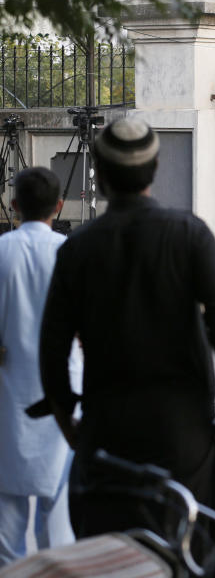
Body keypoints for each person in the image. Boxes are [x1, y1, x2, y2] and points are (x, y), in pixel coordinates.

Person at [39, 118, 215, 544]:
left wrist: (67, 419)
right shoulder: (189, 234)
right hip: (184, 438)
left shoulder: (77, 249)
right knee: (192, 554)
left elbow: (52, 348)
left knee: (110, 558)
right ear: (154, 168)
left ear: (99, 174)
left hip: (107, 437)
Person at [0, 168, 79, 566]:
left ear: (14, 207)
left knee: (5, 515)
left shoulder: (1, 253)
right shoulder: (72, 254)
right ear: (59, 207)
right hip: (64, 394)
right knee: (58, 513)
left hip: (8, 396)